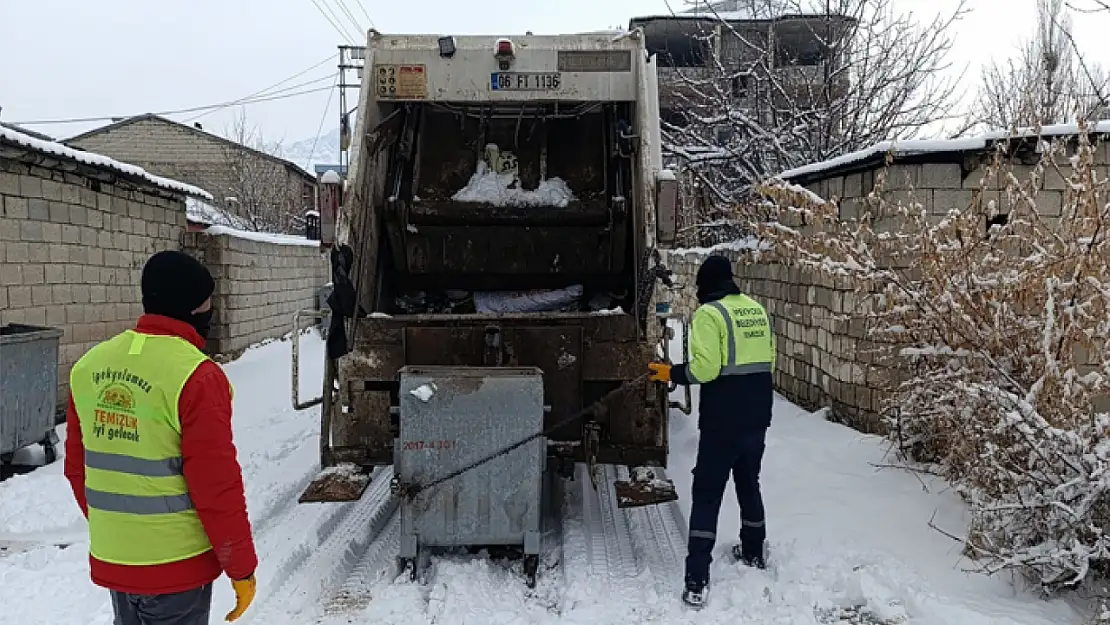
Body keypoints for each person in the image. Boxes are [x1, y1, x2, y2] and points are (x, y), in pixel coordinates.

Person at [64, 250, 259, 624]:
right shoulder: (196, 376)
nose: (211, 310)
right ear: (190, 308)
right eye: (207, 302)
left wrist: (123, 534)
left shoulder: (88, 367)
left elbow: (78, 470)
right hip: (177, 569)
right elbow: (216, 487)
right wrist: (240, 567)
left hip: (116, 562)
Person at [647, 254, 776, 609]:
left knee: (707, 494)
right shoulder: (756, 309)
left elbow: (705, 369)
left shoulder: (709, 314)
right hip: (757, 417)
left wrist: (668, 374)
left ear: (706, 285)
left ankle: (696, 579)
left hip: (722, 423)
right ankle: (753, 551)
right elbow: (769, 360)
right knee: (749, 483)